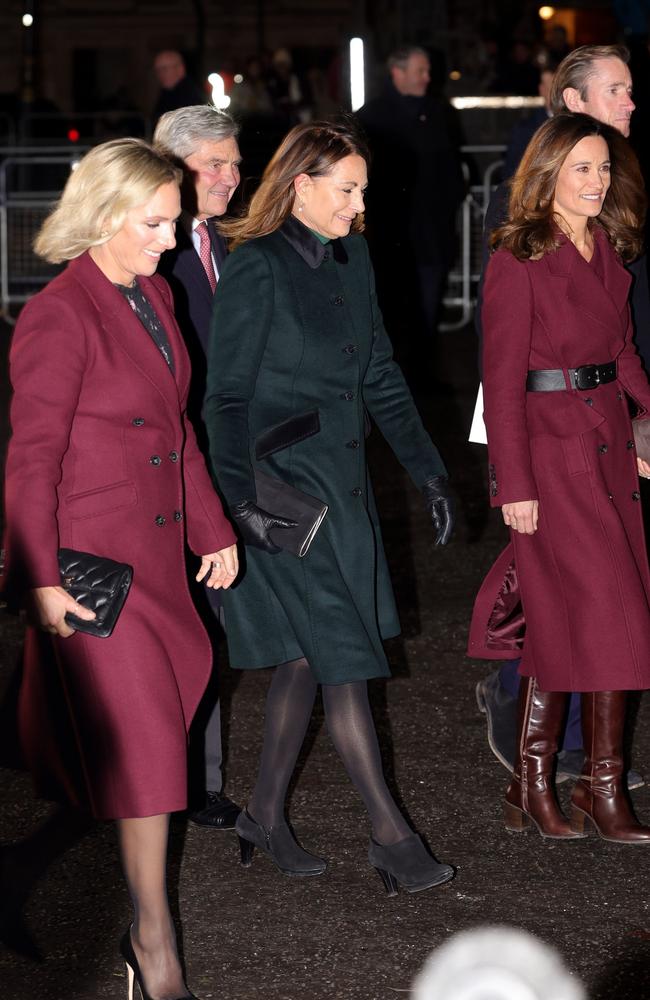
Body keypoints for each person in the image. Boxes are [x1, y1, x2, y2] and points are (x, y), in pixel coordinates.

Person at [2, 138, 238, 997]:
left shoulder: (158, 294)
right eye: (153, 222)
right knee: (146, 757)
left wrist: (212, 528)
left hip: (162, 559)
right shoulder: (59, 316)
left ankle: (118, 917)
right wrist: (39, 580)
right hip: (97, 570)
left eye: (173, 222)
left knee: (151, 750)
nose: (170, 240)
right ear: (103, 216)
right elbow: (31, 458)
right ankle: (153, 942)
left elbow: (178, 430)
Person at [204, 119, 455, 895]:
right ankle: (393, 838)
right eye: (346, 190)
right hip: (284, 502)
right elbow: (226, 399)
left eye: (363, 190)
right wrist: (241, 503)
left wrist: (429, 470)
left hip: (342, 493)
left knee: (312, 657)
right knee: (343, 658)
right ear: (301, 186)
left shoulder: (353, 258)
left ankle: (264, 816)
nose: (358, 205)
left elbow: (379, 372)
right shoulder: (258, 267)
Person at [469, 112, 650, 844]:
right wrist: (512, 485)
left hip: (607, 442)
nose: (596, 181)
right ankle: (585, 785)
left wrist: (646, 419)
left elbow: (625, 351)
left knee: (578, 615)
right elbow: (500, 379)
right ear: (547, 174)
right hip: (548, 452)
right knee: (609, 612)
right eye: (581, 167)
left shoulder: (605, 247)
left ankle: (544, 782)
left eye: (603, 168)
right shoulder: (519, 257)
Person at [153, 104, 243, 831]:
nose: (231, 176)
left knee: (206, 625)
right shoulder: (146, 255)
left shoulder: (226, 244)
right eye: (215, 164)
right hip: (164, 472)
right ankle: (170, 778)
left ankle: (198, 780)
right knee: (170, 630)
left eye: (234, 163)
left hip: (219, 467)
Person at [357, 46, 465, 386]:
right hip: (390, 235)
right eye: (420, 70)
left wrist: (450, 200)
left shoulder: (439, 112)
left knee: (429, 303)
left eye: (428, 70)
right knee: (389, 305)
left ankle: (423, 372)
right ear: (398, 73)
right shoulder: (371, 116)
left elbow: (451, 168)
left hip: (432, 230)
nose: (427, 78)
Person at [152, 49, 206, 124]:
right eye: (158, 70)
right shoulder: (166, 93)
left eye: (164, 69)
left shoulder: (190, 94)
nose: (161, 74)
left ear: (180, 69)